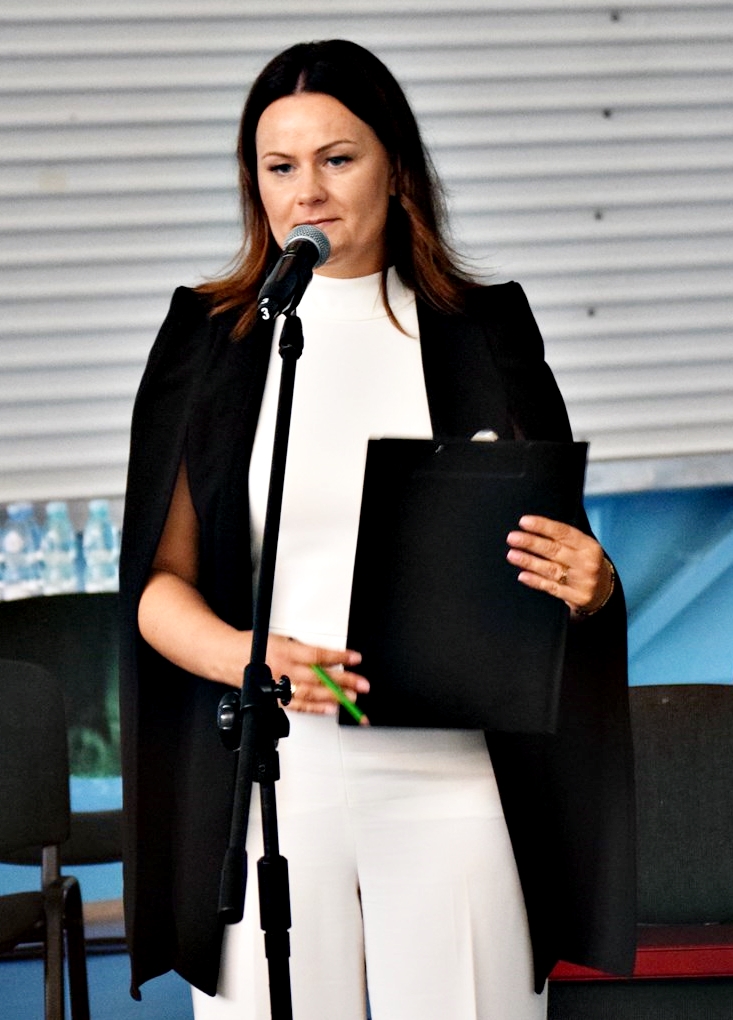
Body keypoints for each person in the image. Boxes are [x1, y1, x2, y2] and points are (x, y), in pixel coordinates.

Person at [119, 39, 636, 1020]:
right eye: (280, 166)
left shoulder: (485, 328)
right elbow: (157, 583)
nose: (307, 191)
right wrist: (243, 656)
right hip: (271, 767)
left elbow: (553, 549)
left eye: (337, 158)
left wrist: (591, 580)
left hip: (451, 770)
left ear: (395, 168)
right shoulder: (213, 337)